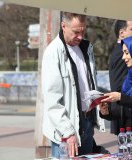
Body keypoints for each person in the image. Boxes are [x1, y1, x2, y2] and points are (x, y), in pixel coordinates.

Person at [41, 12, 105, 158]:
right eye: (76, 32)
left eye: (83, 31)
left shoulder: (86, 48)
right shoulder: (53, 52)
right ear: (64, 26)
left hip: (87, 122)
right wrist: (68, 132)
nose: (80, 36)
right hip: (66, 129)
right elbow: (52, 101)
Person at [108, 20, 132, 135]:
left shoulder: (126, 51)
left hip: (130, 117)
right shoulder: (119, 53)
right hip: (126, 120)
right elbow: (118, 87)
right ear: (122, 33)